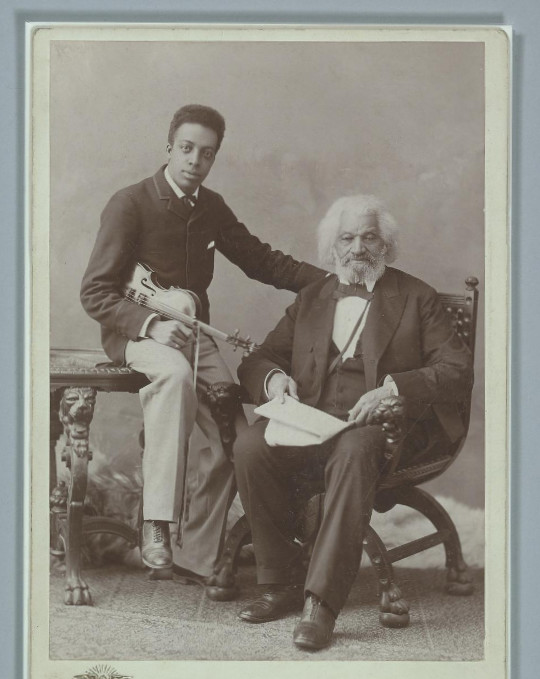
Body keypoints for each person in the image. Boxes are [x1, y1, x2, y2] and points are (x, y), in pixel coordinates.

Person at [80, 104, 324, 580]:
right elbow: (94, 292)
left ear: (214, 160)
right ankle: (157, 523)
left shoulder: (211, 207)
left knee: (235, 436)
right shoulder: (129, 203)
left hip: (195, 337)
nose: (195, 160)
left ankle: (195, 556)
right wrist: (150, 326)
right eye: (187, 148)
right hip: (138, 336)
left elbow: (260, 260)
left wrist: (327, 282)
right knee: (173, 375)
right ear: (169, 147)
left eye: (207, 154)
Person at [233, 194, 473, 650]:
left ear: (386, 245)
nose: (357, 247)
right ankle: (279, 583)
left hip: (381, 429)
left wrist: (394, 389)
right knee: (250, 446)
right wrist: (275, 382)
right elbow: (260, 357)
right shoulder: (313, 297)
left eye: (369, 237)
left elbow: (458, 371)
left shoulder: (416, 297)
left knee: (353, 451)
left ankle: (319, 605)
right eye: (347, 237)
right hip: (311, 422)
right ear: (332, 247)